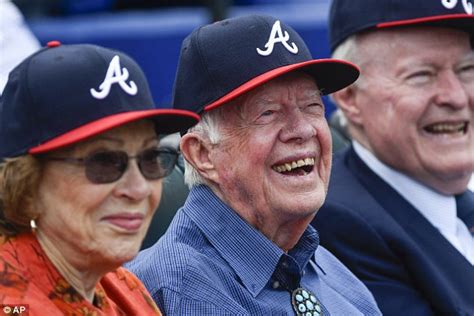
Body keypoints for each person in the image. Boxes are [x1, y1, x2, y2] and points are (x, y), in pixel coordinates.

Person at [127, 14, 382, 315]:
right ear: (202, 154)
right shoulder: (186, 291)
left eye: (312, 106)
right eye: (268, 113)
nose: (302, 130)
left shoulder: (320, 263)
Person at [0, 41, 199, 315]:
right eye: (104, 161)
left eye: (149, 159)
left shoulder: (114, 282)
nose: (139, 188)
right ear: (25, 184)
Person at [311, 0, 474, 315]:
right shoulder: (339, 227)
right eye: (421, 75)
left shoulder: (454, 200)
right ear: (350, 97)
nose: (455, 96)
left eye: (467, 70)